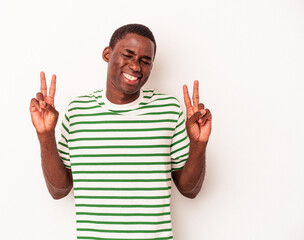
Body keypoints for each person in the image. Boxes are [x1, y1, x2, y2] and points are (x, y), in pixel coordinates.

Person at [30, 23, 212, 239]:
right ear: (108, 54)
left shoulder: (169, 110)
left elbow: (189, 190)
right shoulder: (78, 111)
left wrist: (198, 144)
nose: (136, 67)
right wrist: (45, 134)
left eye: (146, 61)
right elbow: (58, 191)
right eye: (128, 55)